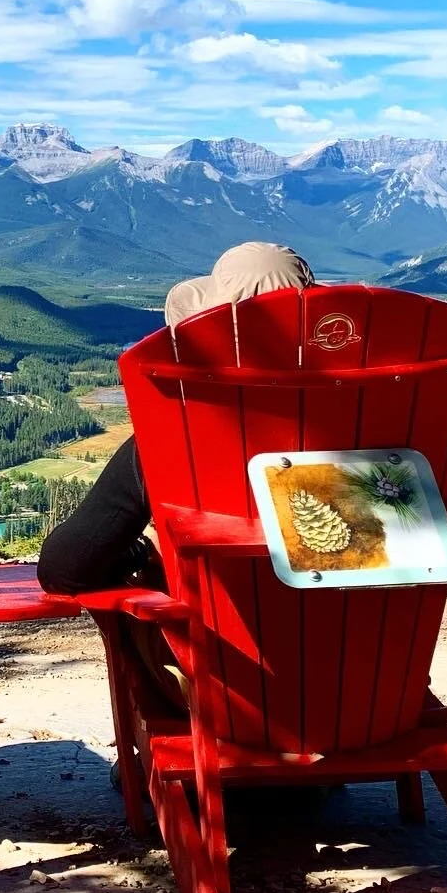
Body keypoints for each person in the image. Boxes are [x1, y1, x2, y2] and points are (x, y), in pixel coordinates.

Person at [37, 242, 315, 711]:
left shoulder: (172, 442)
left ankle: (170, 739)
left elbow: (65, 568)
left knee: (139, 582)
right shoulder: (389, 431)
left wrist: (136, 552)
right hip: (366, 695)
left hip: (230, 705)